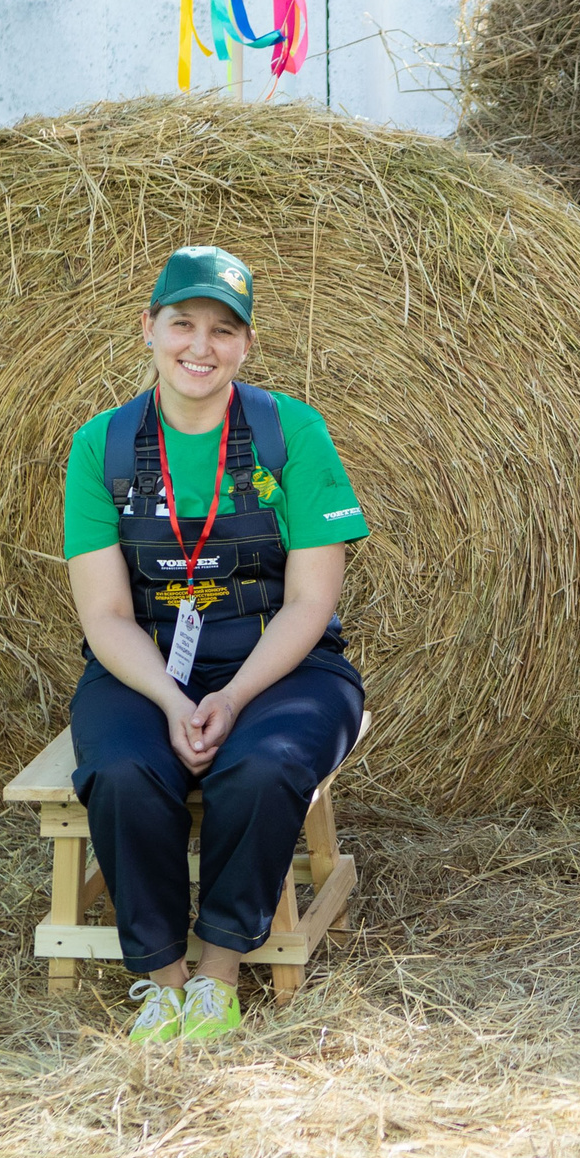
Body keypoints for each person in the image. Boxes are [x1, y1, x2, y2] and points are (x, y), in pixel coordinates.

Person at [62, 246, 369, 1043]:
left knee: (262, 766)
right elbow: (104, 615)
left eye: (223, 331)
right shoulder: (99, 446)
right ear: (149, 329)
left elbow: (311, 601)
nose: (201, 347)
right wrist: (170, 698)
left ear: (246, 344)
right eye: (183, 324)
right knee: (123, 769)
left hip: (282, 664)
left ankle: (218, 975)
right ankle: (161, 980)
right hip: (142, 664)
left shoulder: (291, 432)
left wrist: (231, 698)